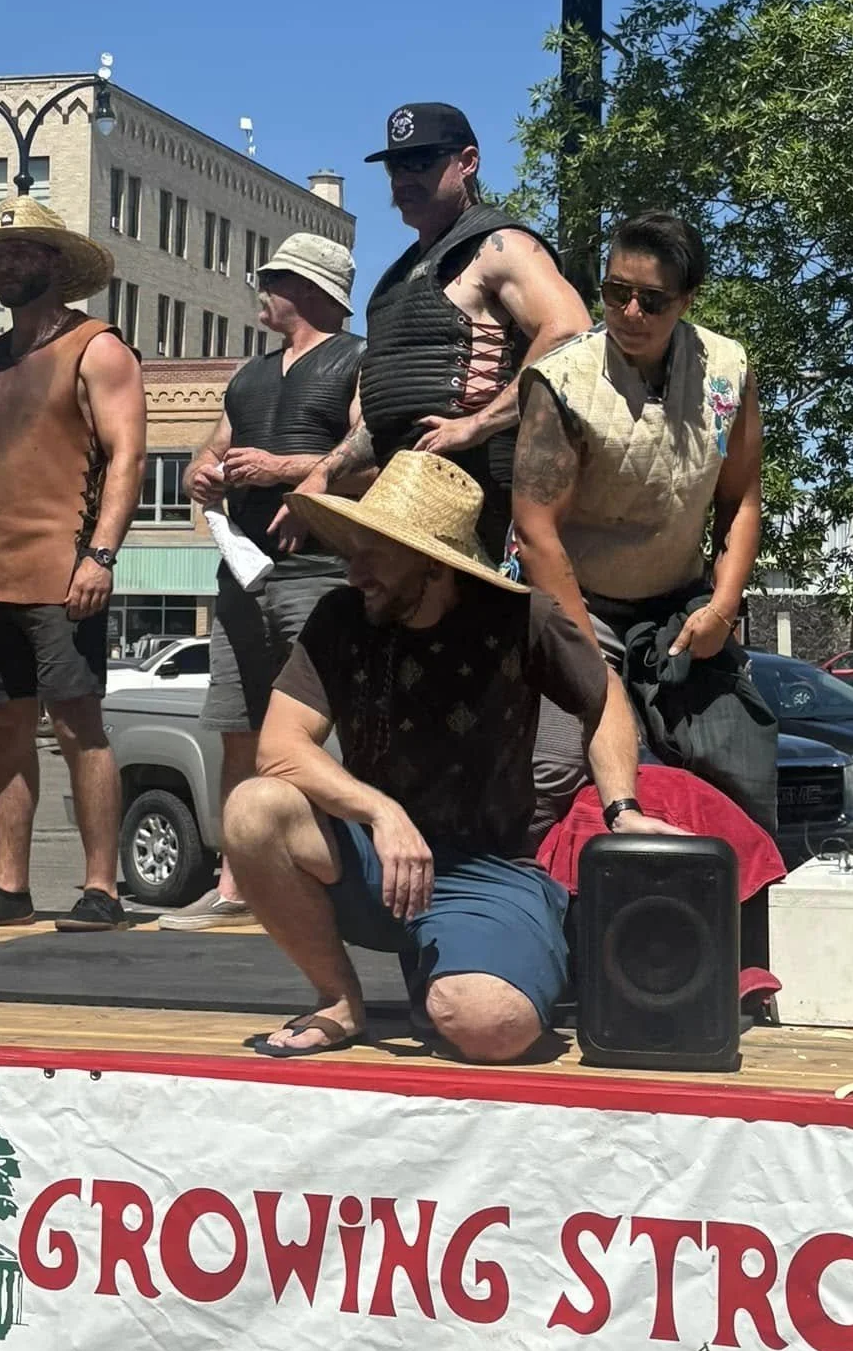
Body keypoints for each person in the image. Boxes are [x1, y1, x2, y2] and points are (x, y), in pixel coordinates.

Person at [224, 450, 654, 1063]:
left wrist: (622, 806)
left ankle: (476, 963)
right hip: (374, 861)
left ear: (431, 565)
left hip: (487, 870)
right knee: (253, 808)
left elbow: (603, 692)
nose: (354, 571)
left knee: (491, 1027)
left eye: (376, 552)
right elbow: (279, 749)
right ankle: (338, 1000)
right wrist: (381, 813)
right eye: (355, 547)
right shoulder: (339, 619)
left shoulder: (520, 617)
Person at [510, 212, 775, 833]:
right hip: (578, 601)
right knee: (549, 767)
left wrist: (723, 606)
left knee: (739, 762)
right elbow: (534, 532)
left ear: (687, 300)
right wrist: (581, 652)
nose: (628, 311)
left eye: (651, 300)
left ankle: (736, 913)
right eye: (614, 291)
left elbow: (740, 500)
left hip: (681, 607)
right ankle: (531, 902)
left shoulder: (728, 370)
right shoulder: (560, 382)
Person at [0, 195, 146, 931]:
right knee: (3, 727)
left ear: (55, 264)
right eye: (0, 254)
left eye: (21, 252)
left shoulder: (99, 347)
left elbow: (127, 458)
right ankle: (9, 887)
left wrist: (101, 556)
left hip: (64, 574)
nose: (5, 265)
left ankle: (101, 890)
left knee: (78, 724)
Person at [288, 103, 590, 562]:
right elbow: (385, 412)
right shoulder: (394, 278)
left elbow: (570, 331)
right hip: (409, 504)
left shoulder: (497, 246)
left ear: (467, 162)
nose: (403, 179)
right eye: (395, 166)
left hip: (488, 504)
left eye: (422, 163)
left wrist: (477, 424)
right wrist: (325, 472)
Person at [169, 234, 365, 930]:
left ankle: (326, 878)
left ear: (308, 288)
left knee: (310, 731)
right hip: (240, 574)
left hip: (318, 571)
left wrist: (283, 471)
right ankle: (238, 882)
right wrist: (199, 468)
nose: (262, 288)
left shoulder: (356, 361)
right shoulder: (250, 375)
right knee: (237, 730)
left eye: (272, 277)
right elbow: (214, 445)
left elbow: (373, 460)